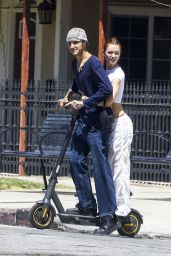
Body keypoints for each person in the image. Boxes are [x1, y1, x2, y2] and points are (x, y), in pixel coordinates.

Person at [58, 28, 121, 235]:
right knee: (76, 159)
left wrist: (85, 102)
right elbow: (76, 83)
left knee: (101, 167)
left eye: (76, 42)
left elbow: (106, 90)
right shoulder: (76, 63)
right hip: (83, 120)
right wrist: (67, 97)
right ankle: (86, 204)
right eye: (70, 43)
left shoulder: (93, 62)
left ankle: (109, 216)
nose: (72, 46)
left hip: (97, 121)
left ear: (84, 43)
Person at [104, 37, 133, 222]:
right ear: (104, 52)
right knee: (109, 165)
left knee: (120, 167)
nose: (113, 55)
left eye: (116, 53)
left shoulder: (118, 74)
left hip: (121, 123)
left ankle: (123, 210)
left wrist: (86, 101)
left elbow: (110, 99)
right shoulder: (104, 71)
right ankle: (112, 204)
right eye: (110, 52)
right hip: (110, 124)